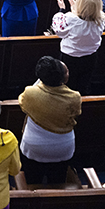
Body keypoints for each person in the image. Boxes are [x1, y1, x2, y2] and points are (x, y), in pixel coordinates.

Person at [15, 57, 80, 186]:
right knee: (58, 182)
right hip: (63, 148)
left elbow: (22, 103)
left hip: (34, 147)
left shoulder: (30, 92)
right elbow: (76, 114)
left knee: (32, 181)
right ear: (63, 78)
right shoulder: (75, 97)